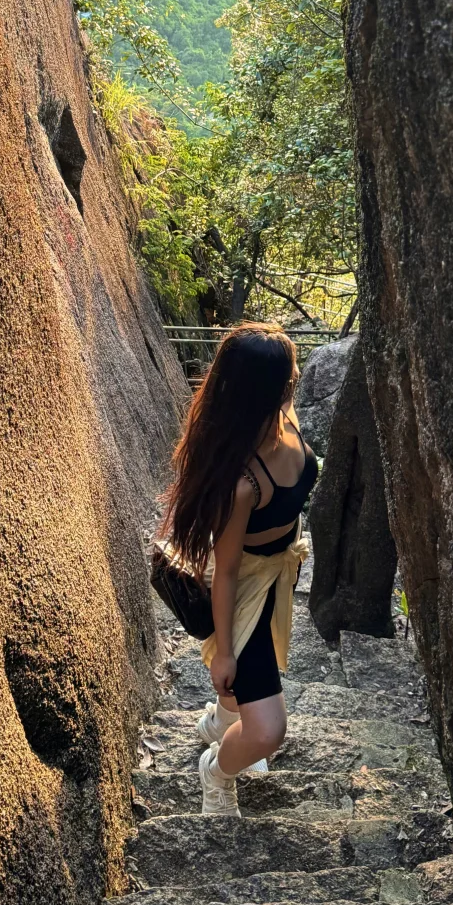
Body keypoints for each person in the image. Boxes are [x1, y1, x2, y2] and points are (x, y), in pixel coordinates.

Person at [161, 322, 318, 815]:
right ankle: (216, 768)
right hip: (247, 588)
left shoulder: (282, 415)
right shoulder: (242, 483)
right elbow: (225, 571)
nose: (295, 380)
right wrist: (224, 653)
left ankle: (219, 722)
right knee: (268, 730)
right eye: (289, 376)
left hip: (279, 573)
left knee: (248, 692)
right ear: (266, 391)